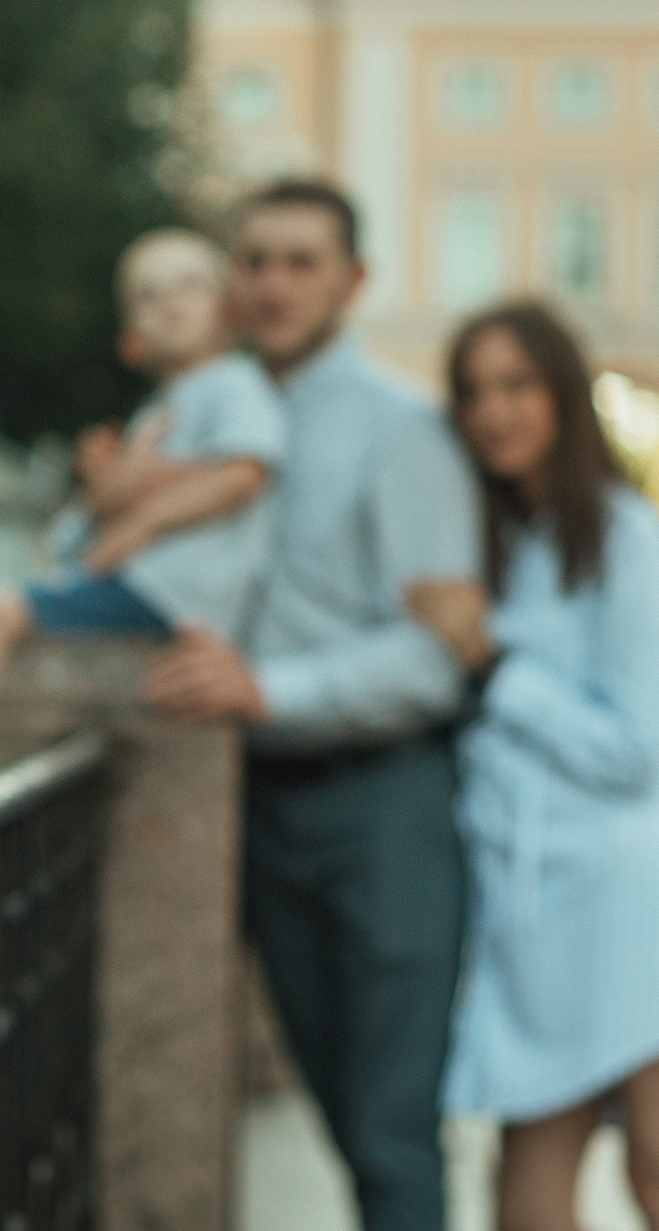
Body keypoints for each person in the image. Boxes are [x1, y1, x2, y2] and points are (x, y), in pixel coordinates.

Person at [141, 180, 483, 1231]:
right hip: (259, 802)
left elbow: (436, 655)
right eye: (255, 260)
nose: (274, 284)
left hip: (384, 805)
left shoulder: (403, 428)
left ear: (353, 278)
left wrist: (268, 688)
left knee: (390, 1132)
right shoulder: (213, 415)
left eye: (302, 262)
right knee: (339, 1111)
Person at [408, 301, 659, 1231]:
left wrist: (493, 667)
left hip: (641, 901)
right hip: (533, 915)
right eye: (473, 390)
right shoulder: (491, 543)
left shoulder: (627, 535)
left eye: (517, 384)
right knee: (524, 1199)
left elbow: (634, 747)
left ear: (563, 393)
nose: (493, 410)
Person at [0, 227, 286, 805]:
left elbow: (244, 472)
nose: (171, 304)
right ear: (130, 337)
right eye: (149, 295)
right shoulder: (159, 411)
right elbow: (95, 520)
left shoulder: (234, 385)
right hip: (145, 584)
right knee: (19, 608)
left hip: (171, 591)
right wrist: (107, 495)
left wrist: (141, 520)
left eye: (190, 286)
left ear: (228, 308)